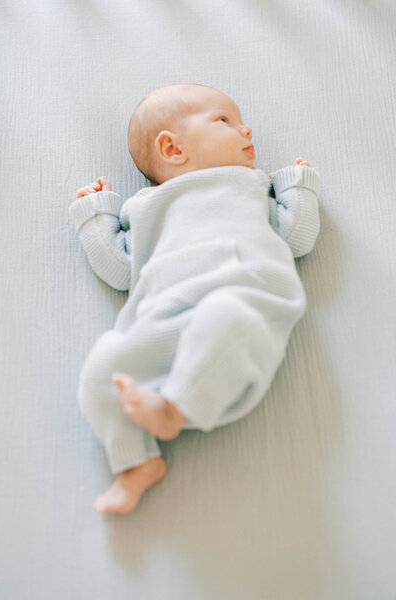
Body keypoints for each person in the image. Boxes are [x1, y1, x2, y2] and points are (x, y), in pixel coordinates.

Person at [69, 83, 320, 514]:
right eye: (225, 121)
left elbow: (296, 237)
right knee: (102, 369)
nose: (246, 131)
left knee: (225, 317)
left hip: (244, 295)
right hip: (163, 313)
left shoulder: (250, 186)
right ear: (171, 147)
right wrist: (96, 214)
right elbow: (117, 266)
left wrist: (296, 186)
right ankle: (136, 462)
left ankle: (173, 407)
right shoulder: (145, 208)